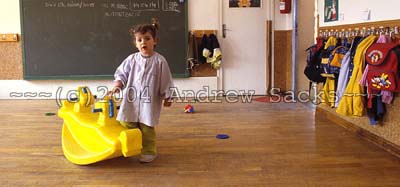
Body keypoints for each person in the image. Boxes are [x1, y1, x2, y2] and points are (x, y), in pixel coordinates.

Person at [109, 23, 174, 163]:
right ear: (136, 44)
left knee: (146, 128)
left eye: (147, 38)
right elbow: (122, 74)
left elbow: (166, 80)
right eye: (139, 40)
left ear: (155, 41)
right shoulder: (132, 60)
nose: (143, 42)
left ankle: (149, 151)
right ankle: (129, 146)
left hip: (148, 102)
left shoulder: (159, 61)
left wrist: (168, 96)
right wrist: (117, 86)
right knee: (127, 123)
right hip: (131, 100)